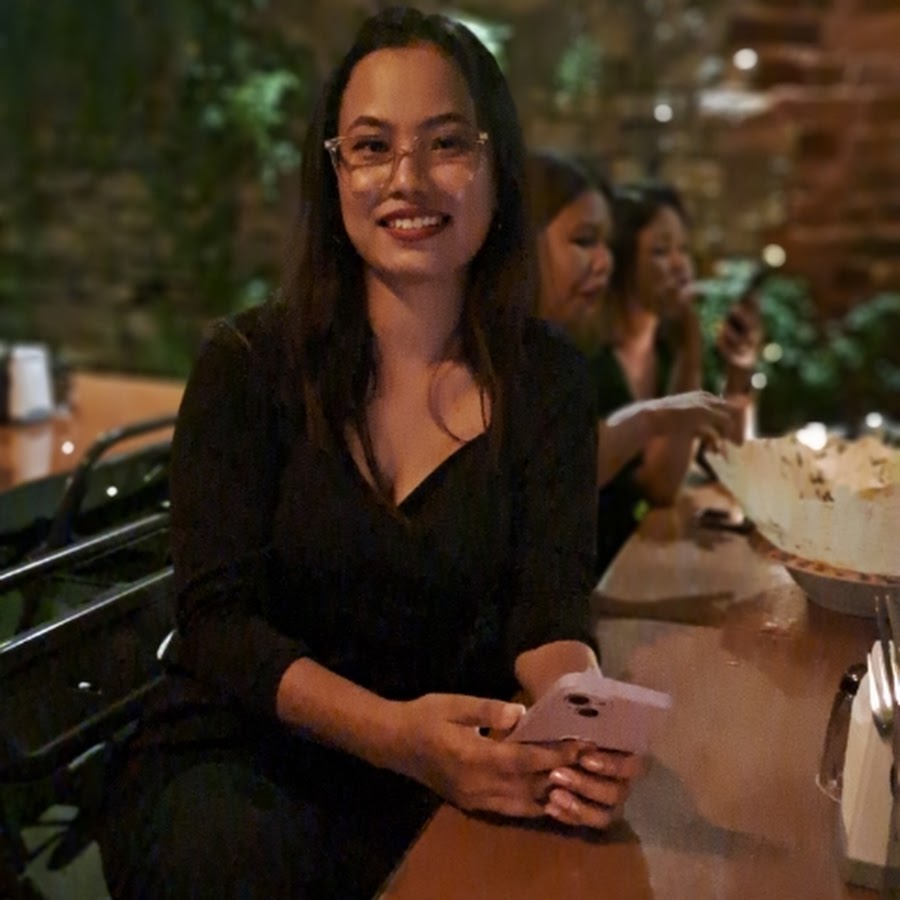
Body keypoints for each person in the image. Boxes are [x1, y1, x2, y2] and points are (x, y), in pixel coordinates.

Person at [96, 9, 642, 899]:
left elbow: (549, 614)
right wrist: (395, 736)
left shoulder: (547, 379)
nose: (407, 179)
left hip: (440, 778)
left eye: (445, 143)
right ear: (334, 172)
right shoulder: (247, 366)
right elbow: (218, 626)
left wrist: (588, 729)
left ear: (497, 166)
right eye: (371, 146)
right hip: (240, 765)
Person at [525, 151, 748, 572]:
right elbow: (646, 483)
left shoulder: (560, 353)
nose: (682, 266)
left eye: (684, 249)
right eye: (585, 240)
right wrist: (660, 409)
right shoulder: (582, 359)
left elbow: (729, 452)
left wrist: (739, 369)